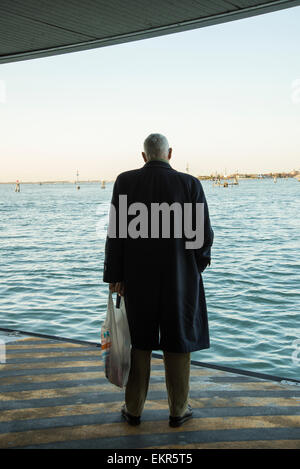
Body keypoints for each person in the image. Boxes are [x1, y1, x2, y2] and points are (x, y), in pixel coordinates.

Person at [103, 133, 213, 427]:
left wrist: (115, 276)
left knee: (139, 342)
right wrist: (193, 268)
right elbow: (202, 238)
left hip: (138, 279)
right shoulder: (190, 184)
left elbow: (116, 235)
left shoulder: (125, 182)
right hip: (180, 280)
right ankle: (178, 411)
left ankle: (134, 409)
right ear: (170, 153)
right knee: (178, 342)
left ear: (143, 156)